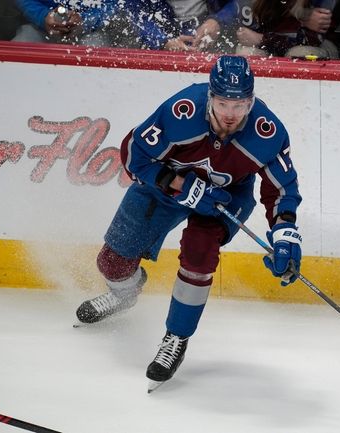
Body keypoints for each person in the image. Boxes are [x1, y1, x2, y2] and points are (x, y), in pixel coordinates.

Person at [75, 55, 303, 391]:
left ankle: (176, 338)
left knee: (199, 254)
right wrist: (181, 186)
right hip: (167, 186)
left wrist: (285, 236)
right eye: (223, 103)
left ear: (251, 102)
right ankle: (125, 293)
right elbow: (133, 155)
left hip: (226, 198)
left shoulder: (267, 133)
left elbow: (282, 190)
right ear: (210, 96)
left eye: (240, 105)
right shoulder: (180, 111)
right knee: (111, 262)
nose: (230, 114)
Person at [235, 0, 338, 59]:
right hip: (273, 44)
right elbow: (248, 35)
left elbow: (312, 40)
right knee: (247, 52)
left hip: (320, 46)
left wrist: (263, 39)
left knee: (300, 54)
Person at [124, 0, 238, 51]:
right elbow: (136, 14)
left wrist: (217, 21)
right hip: (161, 38)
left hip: (209, 32)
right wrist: (163, 41)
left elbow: (237, 4)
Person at [13, 0, 124, 46]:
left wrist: (84, 20)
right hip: (41, 29)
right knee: (23, 42)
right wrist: (43, 16)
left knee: (95, 49)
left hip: (90, 32)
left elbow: (116, 3)